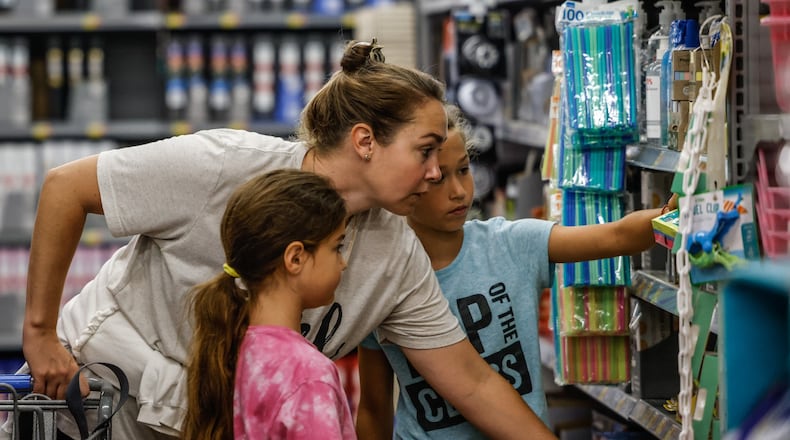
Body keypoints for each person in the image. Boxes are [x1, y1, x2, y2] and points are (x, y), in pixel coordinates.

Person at [12, 40, 553, 439]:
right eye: (426, 151)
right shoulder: (224, 166)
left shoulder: (395, 251)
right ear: (365, 141)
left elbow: (472, 384)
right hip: (104, 399)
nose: (438, 173)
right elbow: (66, 188)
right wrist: (38, 334)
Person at [355, 105, 678, 439]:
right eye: (438, 179)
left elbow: (617, 235)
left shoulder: (510, 244)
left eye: (464, 170)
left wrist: (674, 210)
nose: (459, 191)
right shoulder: (385, 281)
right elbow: (373, 408)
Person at [181, 169, 355, 439]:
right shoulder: (308, 374)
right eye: (337, 246)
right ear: (295, 258)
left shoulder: (227, 348)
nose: (342, 262)